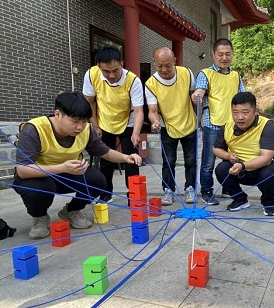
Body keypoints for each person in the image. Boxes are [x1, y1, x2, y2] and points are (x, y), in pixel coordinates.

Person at [13, 92, 142, 239]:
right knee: (37, 189)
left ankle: (71, 210)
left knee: (97, 180)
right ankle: (40, 217)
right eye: (75, 121)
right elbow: (23, 170)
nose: (80, 127)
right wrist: (62, 167)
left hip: (68, 173)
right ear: (58, 114)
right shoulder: (35, 129)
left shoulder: (86, 130)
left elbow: (104, 151)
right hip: (37, 176)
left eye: (84, 121)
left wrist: (126, 157)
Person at [83, 46, 143, 203]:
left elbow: (138, 110)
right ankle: (105, 193)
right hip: (104, 122)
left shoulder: (133, 80)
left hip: (128, 123)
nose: (111, 75)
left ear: (122, 64)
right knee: (105, 159)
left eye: (115, 70)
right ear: (98, 66)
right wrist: (95, 126)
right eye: (106, 71)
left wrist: (136, 133)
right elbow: (89, 103)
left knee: (132, 159)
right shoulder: (91, 75)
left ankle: (134, 197)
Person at [191, 38, 244, 205]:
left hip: (232, 125)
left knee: (230, 159)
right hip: (212, 124)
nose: (224, 58)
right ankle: (206, 191)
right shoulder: (206, 73)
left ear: (232, 55)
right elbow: (199, 91)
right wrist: (197, 95)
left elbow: (242, 98)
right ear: (213, 54)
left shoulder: (236, 75)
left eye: (228, 54)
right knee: (208, 161)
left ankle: (228, 187)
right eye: (220, 54)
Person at [213, 92, 274, 216]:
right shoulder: (227, 127)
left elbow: (266, 158)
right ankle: (240, 199)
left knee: (270, 171)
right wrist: (228, 156)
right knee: (221, 169)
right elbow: (216, 149)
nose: (240, 117)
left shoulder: (266, 125)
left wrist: (243, 165)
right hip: (238, 170)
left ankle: (268, 202)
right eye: (235, 112)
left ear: (255, 111)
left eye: (245, 112)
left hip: (261, 169)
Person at [145, 47, 197, 205]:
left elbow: (193, 96)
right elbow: (152, 110)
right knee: (168, 161)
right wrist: (155, 121)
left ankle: (190, 188)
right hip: (166, 126)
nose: (164, 70)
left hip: (189, 122)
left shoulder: (186, 73)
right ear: (154, 63)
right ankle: (168, 190)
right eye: (159, 66)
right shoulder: (151, 84)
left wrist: (198, 115)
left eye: (167, 65)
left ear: (174, 61)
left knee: (191, 160)